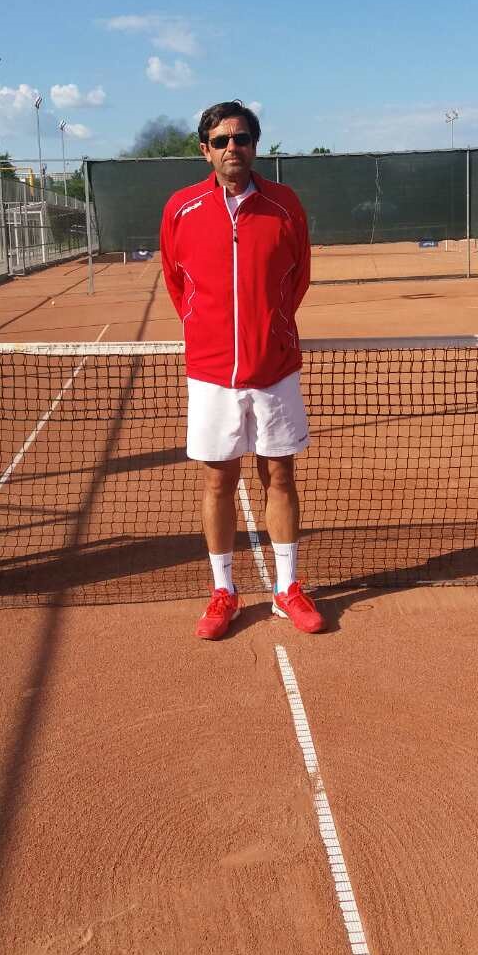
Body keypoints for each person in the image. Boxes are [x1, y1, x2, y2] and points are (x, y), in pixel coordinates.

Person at [159, 100, 325, 640]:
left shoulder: (284, 205)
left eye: (242, 138)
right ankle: (223, 591)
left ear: (255, 145)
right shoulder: (181, 209)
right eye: (222, 140)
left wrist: (272, 328)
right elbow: (176, 282)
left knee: (280, 475)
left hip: (275, 368)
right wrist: (204, 328)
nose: (233, 147)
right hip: (211, 373)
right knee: (218, 480)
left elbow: (298, 277)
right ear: (205, 150)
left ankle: (287, 589)